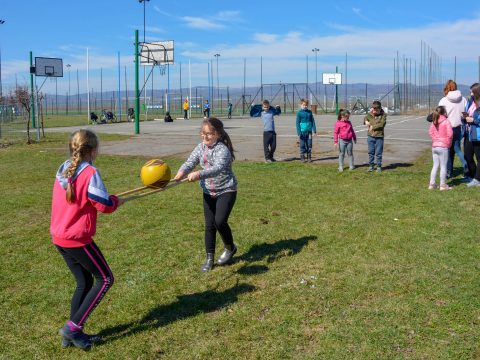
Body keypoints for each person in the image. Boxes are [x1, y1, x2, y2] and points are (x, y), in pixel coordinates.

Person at [50, 129, 123, 350]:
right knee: (105, 279)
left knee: (84, 282)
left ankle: (71, 334)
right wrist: (115, 202)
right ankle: (72, 328)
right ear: (92, 150)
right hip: (76, 238)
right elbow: (103, 204)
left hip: (59, 237)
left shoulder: (64, 167)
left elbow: (86, 199)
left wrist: (109, 200)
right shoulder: (90, 172)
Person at [174, 118, 238, 272]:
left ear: (217, 134)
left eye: (209, 134)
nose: (205, 137)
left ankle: (230, 248)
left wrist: (198, 174)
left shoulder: (223, 150)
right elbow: (190, 162)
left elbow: (217, 168)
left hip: (226, 190)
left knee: (220, 221)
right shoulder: (200, 147)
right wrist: (181, 173)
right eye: (203, 133)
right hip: (208, 192)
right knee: (209, 225)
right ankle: (209, 258)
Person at [438, 79, 468, 179]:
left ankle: (449, 172)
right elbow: (465, 113)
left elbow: (440, 114)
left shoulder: (444, 100)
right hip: (458, 127)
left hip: (447, 128)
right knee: (456, 149)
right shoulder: (463, 99)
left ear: (447, 87)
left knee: (447, 150)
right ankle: (464, 165)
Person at [428, 106, 453, 190]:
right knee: (443, 166)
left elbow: (430, 132)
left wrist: (435, 140)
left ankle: (432, 184)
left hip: (435, 146)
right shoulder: (446, 121)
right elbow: (450, 134)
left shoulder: (434, 121)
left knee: (435, 165)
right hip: (443, 146)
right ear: (444, 112)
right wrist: (448, 143)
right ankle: (442, 185)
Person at [463, 83, 480, 187]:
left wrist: (473, 120)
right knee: (468, 156)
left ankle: (477, 179)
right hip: (469, 132)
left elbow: (477, 119)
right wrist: (465, 117)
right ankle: (472, 176)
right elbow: (467, 112)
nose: (470, 93)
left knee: (479, 158)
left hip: (477, 134)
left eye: (472, 91)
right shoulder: (470, 102)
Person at [364, 100, 387, 173]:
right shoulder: (369, 114)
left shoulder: (383, 115)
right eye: (373, 109)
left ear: (379, 109)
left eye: (376, 109)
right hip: (370, 136)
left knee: (378, 153)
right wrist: (366, 121)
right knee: (371, 152)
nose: (374, 110)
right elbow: (365, 118)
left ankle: (379, 166)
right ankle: (371, 166)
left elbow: (382, 124)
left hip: (379, 137)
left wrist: (373, 127)